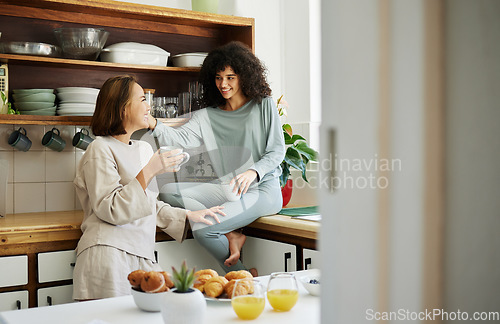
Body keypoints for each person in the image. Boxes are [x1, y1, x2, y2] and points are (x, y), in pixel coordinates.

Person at [73, 75, 225, 300]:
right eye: (143, 99)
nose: (149, 106)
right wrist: (150, 170)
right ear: (123, 108)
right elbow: (111, 208)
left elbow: (148, 204)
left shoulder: (143, 149)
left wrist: (188, 216)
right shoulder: (99, 149)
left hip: (142, 254)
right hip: (108, 255)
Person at [147, 41, 285, 273]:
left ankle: (241, 276)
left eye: (230, 77)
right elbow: (179, 139)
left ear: (244, 76)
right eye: (219, 77)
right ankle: (232, 233)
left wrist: (253, 172)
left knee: (203, 229)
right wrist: (152, 123)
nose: (224, 84)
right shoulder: (206, 116)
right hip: (228, 190)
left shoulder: (264, 106)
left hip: (263, 190)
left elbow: (277, 150)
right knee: (169, 192)